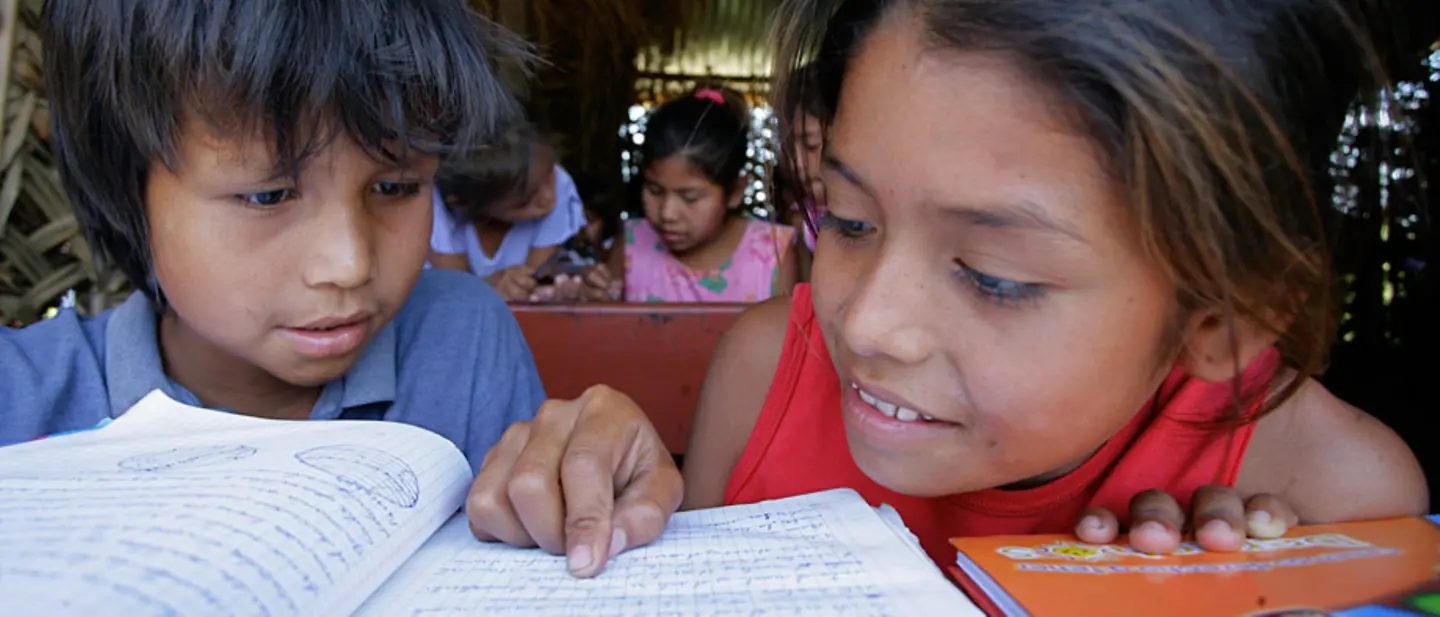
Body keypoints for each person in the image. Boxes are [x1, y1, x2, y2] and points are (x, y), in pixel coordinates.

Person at [466, 0, 1429, 573]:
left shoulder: (1334, 502)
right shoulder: (768, 368)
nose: (867, 322)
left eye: (995, 275)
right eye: (847, 220)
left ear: (1223, 313)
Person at [0, 0, 681, 579]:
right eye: (267, 193)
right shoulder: (24, 401)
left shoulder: (463, 337)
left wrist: (585, 478)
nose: (350, 264)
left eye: (395, 186)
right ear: (125, 190)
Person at [609, 88, 800, 303]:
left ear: (735, 191)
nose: (667, 213)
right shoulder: (631, 246)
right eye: (655, 191)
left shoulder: (775, 254)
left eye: (690, 197)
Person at [429, 123, 612, 302]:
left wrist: (575, 285)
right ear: (465, 205)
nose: (549, 198)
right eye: (525, 201)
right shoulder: (433, 207)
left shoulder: (557, 183)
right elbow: (454, 294)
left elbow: (536, 280)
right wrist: (491, 287)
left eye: (550, 176)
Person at [781, 62, 829, 281]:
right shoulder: (802, 219)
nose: (798, 163)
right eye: (791, 149)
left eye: (811, 145)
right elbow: (805, 298)